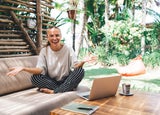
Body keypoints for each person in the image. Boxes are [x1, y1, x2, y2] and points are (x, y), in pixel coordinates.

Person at [7, 27, 96, 94]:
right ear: (48, 37)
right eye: (51, 36)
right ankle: (64, 88)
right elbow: (40, 70)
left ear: (60, 36)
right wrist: (23, 68)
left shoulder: (68, 49)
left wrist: (83, 61)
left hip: (66, 79)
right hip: (52, 82)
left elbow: (75, 66)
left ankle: (55, 91)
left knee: (80, 71)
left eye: (57, 35)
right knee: (35, 77)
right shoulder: (44, 51)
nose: (54, 38)